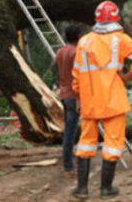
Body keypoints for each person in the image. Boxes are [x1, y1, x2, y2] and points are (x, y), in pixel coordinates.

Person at [71, 0, 132, 198]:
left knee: (86, 143)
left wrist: (79, 94)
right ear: (116, 18)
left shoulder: (84, 41)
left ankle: (81, 188)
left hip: (90, 100)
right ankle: (106, 189)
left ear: (96, 19)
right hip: (113, 100)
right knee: (113, 144)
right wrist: (127, 75)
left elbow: (77, 73)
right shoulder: (120, 39)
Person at [55, 24, 82, 178]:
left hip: (64, 95)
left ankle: (69, 164)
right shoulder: (77, 53)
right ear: (78, 37)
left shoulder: (60, 52)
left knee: (68, 132)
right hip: (75, 96)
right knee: (71, 134)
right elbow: (79, 77)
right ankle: (68, 167)